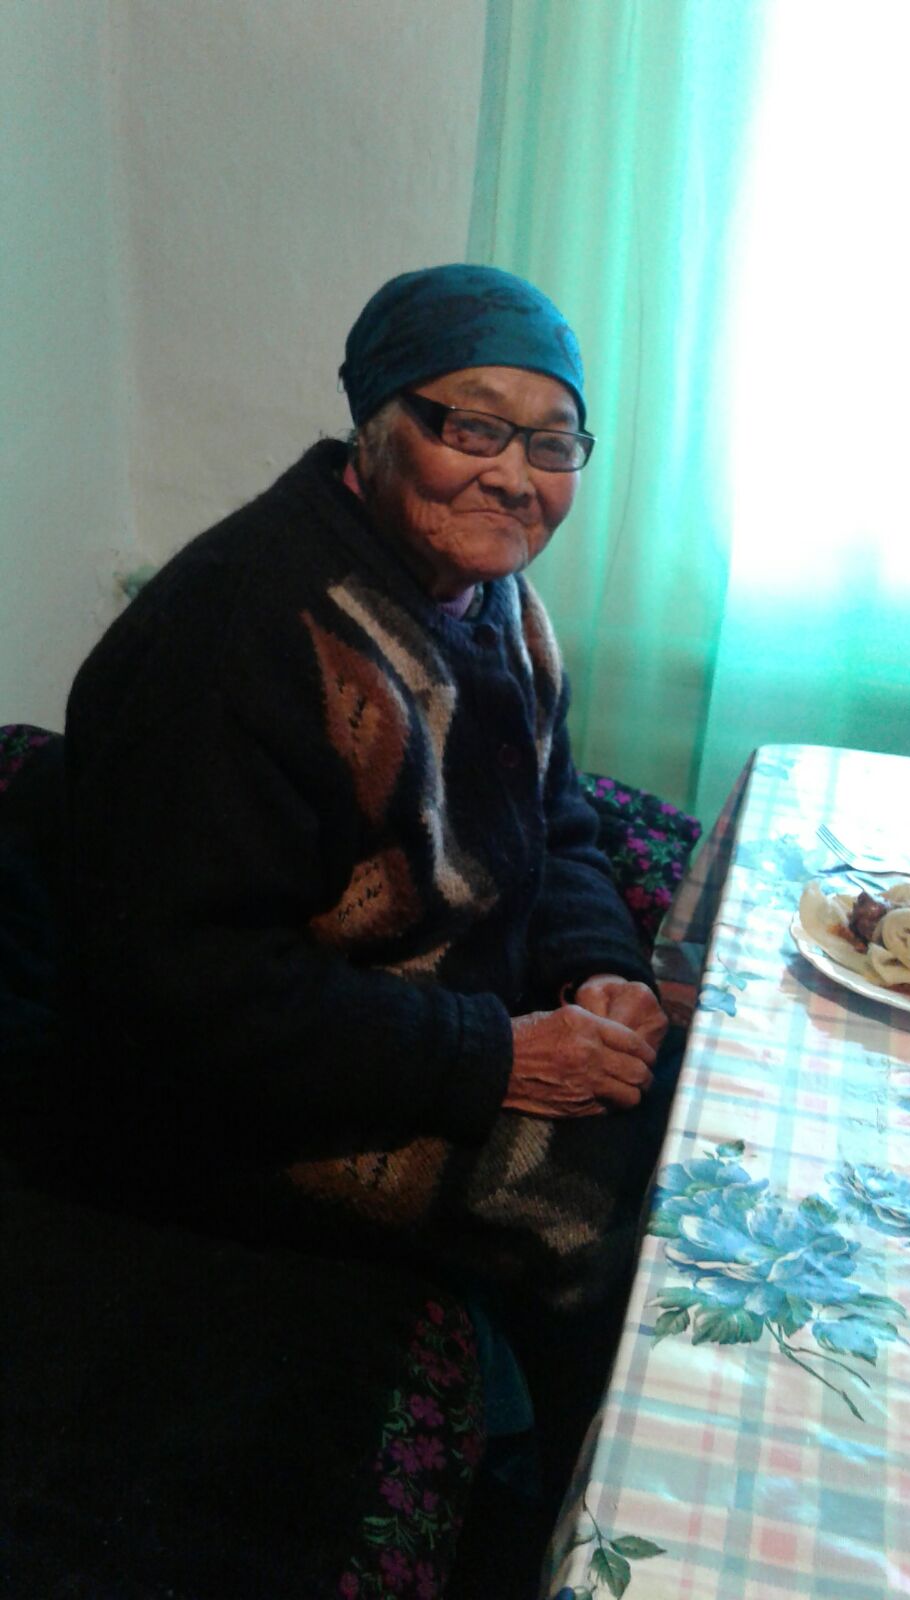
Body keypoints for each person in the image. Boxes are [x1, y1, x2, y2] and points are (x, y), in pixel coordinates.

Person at [61, 264, 675, 1593]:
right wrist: (498, 1059)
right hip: (238, 1106)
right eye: (474, 426)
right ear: (379, 427)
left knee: (679, 1092)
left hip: (447, 1013)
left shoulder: (491, 595)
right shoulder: (238, 639)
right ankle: (565, 1527)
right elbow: (187, 996)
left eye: (553, 444)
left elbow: (557, 821)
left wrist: (600, 967)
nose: (516, 477)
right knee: (615, 1216)